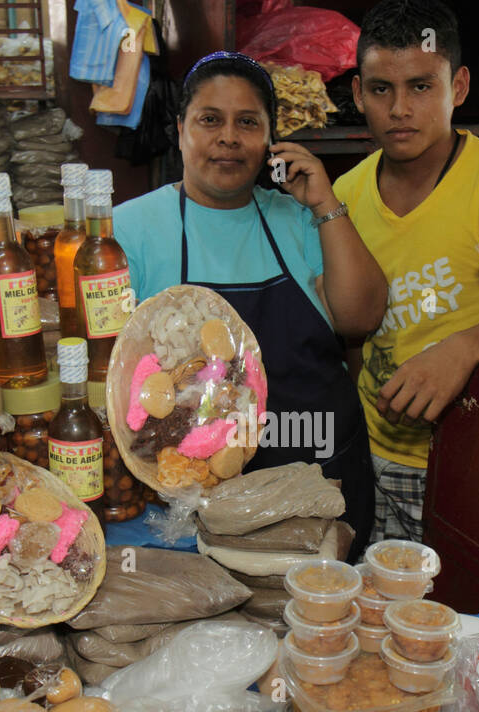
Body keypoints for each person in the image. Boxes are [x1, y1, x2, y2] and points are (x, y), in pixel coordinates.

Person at [115, 52, 387, 558]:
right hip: (194, 491)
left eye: (248, 123)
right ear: (180, 130)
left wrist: (326, 202)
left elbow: (361, 316)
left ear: (270, 139)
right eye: (209, 120)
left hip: (316, 480)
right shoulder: (130, 229)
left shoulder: (301, 219)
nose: (228, 137)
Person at [333, 0, 479, 543]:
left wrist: (464, 347)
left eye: (421, 86)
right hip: (367, 453)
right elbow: (351, 333)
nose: (400, 108)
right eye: (381, 89)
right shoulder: (344, 196)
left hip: (468, 459)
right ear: (359, 94)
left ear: (457, 87)